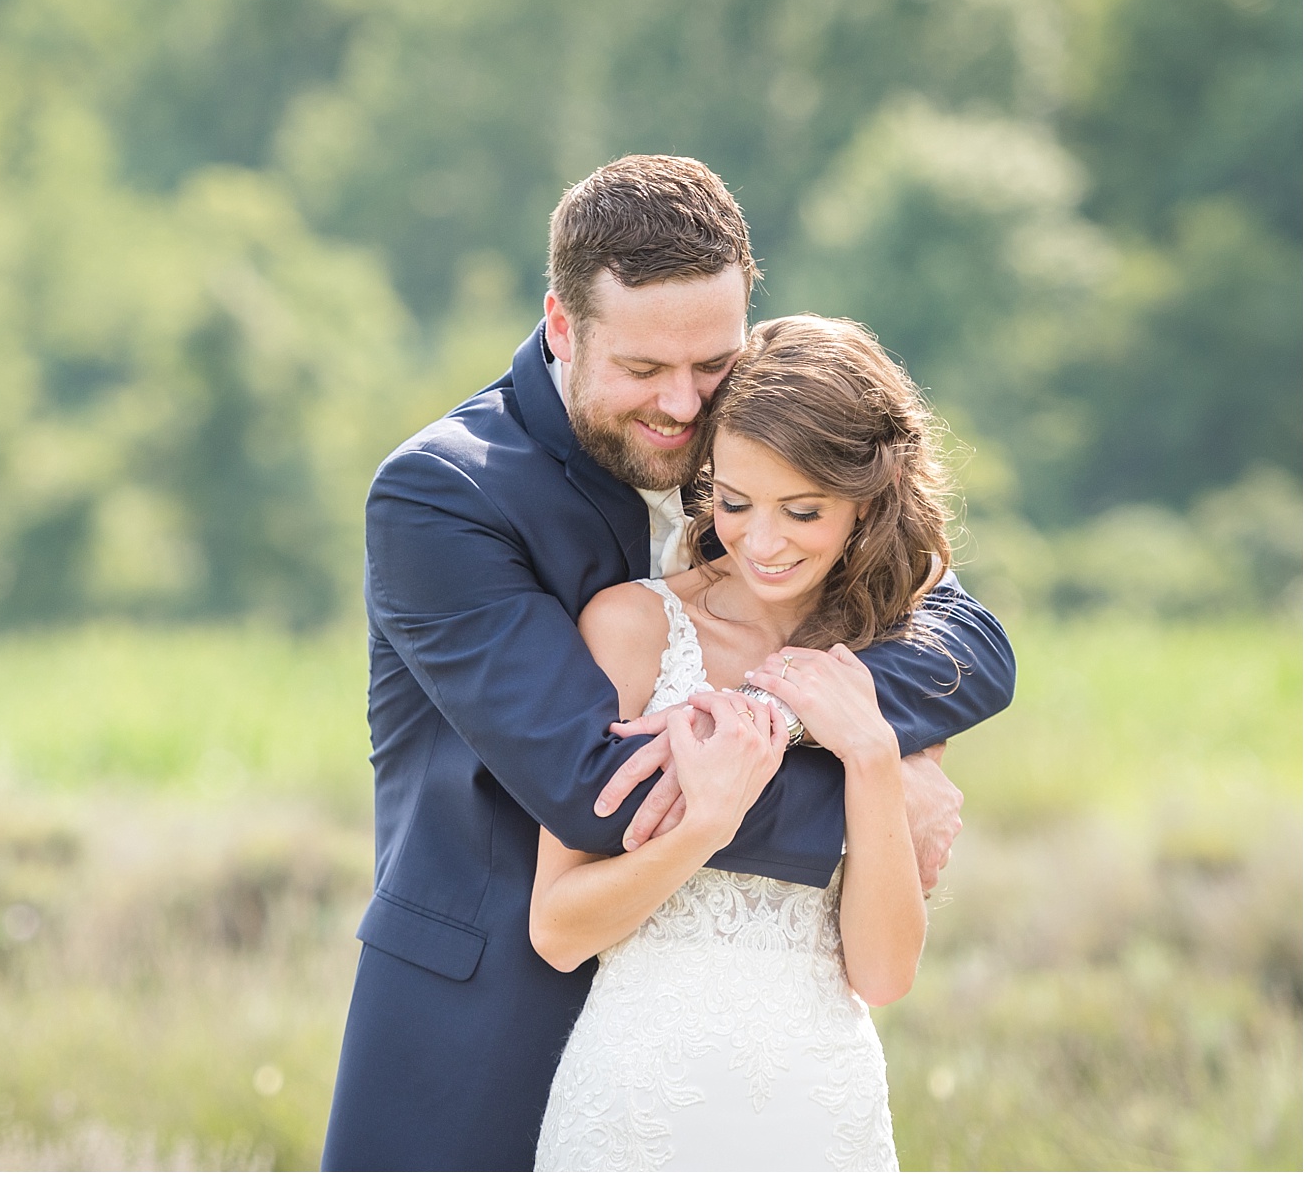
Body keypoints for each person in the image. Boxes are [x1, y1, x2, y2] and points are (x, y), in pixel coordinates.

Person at [321, 155, 1015, 1171]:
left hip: (765, 1058)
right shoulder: (445, 496)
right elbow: (599, 787)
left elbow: (967, 647)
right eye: (644, 369)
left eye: (712, 364)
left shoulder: (764, 450)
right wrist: (871, 798)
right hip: (482, 1022)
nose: (684, 406)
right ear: (563, 326)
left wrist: (823, 726)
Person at [532, 313, 962, 1170]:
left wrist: (873, 757)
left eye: (802, 511)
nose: (762, 542)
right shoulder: (633, 626)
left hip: (818, 1105)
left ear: (869, 499)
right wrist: (704, 825)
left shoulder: (889, 658)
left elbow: (882, 975)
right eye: (733, 502)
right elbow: (559, 927)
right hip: (638, 1104)